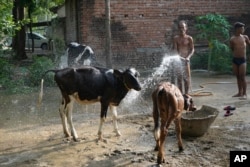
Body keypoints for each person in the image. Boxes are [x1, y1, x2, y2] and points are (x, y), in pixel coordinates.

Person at [230, 22, 250, 100]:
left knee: (242, 76)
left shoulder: (245, 37)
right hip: (235, 59)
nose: (243, 30)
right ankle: (239, 92)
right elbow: (232, 49)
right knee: (238, 77)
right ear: (237, 29)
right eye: (241, 28)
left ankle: (244, 93)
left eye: (243, 28)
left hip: (243, 60)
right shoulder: (232, 39)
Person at [173, 20, 194, 94]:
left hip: (186, 60)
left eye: (183, 27)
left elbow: (192, 49)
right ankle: (180, 93)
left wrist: (188, 57)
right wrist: (178, 57)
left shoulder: (189, 38)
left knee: (187, 79)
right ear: (178, 29)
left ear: (186, 28)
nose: (181, 29)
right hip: (179, 60)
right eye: (180, 27)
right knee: (179, 78)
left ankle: (187, 94)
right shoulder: (176, 38)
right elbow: (175, 49)